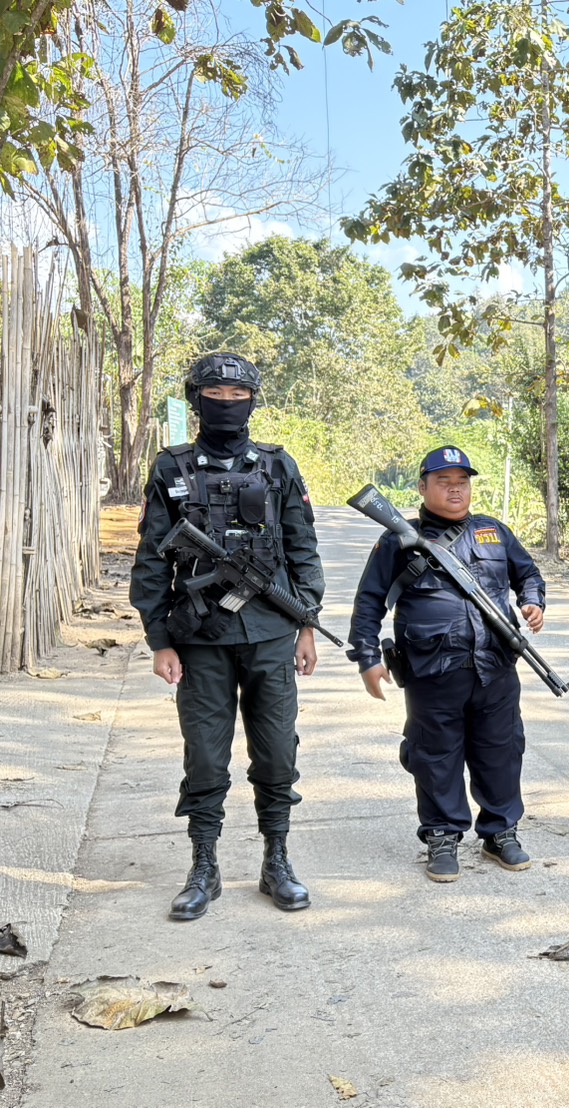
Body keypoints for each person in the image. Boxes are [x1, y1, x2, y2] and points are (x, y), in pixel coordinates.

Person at [130, 352, 324, 921]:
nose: (227, 404)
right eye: (215, 395)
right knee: (206, 758)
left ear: (253, 402)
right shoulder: (171, 469)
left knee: (277, 752)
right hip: (199, 637)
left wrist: (307, 624)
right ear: (196, 400)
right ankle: (204, 866)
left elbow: (302, 549)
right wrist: (159, 639)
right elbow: (152, 559)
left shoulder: (277, 465)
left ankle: (276, 861)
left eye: (238, 396)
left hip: (271, 633)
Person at [347, 446, 546, 883]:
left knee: (501, 750)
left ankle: (500, 833)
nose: (455, 490)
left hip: (495, 666)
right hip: (431, 669)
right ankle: (442, 835)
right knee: (434, 754)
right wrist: (366, 658)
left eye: (462, 482)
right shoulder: (398, 539)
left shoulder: (494, 532)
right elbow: (369, 601)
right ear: (422, 487)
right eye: (443, 481)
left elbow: (528, 574)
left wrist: (533, 601)